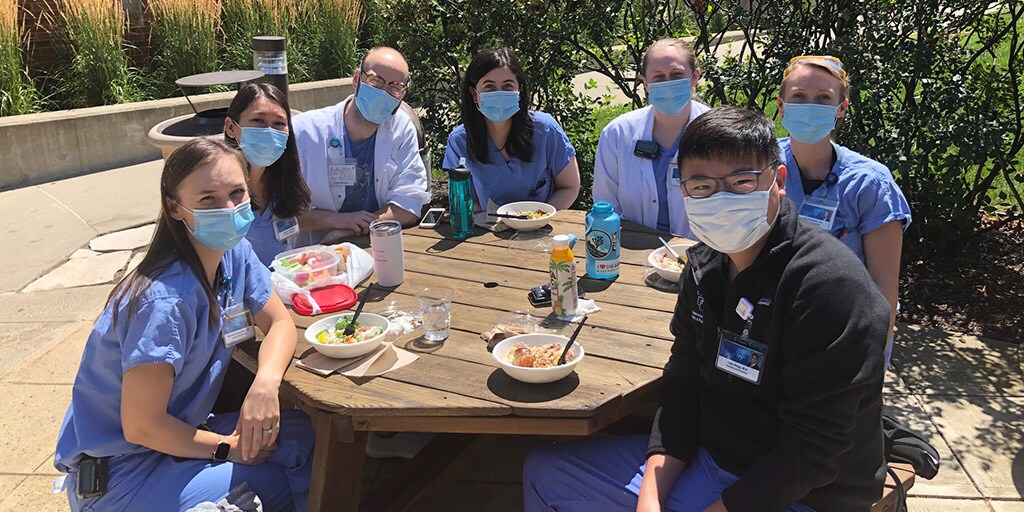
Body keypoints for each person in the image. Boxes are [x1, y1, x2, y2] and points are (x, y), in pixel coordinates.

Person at [524, 107, 890, 512]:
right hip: (714, 459)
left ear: (778, 181)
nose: (722, 199)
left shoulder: (830, 288)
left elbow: (811, 453)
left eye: (741, 182)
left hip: (805, 494)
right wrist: (651, 495)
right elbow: (683, 381)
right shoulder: (703, 265)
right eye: (701, 187)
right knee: (545, 471)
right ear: (683, 190)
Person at [53, 138, 314, 512]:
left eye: (237, 193)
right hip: (123, 475)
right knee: (277, 479)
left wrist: (265, 385)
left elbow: (279, 323)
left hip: (177, 438)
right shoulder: (164, 302)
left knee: (303, 438)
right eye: (208, 199)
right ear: (175, 208)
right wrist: (229, 448)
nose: (228, 208)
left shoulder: (233, 254)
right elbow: (142, 426)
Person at [776, 55, 911, 365]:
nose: (810, 105)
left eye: (823, 98)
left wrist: (874, 356)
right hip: (771, 325)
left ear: (841, 108)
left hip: (842, 333)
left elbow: (885, 284)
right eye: (798, 96)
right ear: (782, 104)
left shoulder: (871, 184)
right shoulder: (761, 165)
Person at [292, 46, 430, 244]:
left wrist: (355, 229)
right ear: (357, 78)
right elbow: (280, 214)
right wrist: (337, 221)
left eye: (395, 87)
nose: (384, 92)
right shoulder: (304, 132)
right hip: (312, 256)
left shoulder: (402, 127)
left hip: (375, 244)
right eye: (376, 81)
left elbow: (409, 203)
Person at [592, 37, 711, 238]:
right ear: (645, 84)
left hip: (699, 252)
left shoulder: (717, 134)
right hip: (632, 249)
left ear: (695, 77)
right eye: (658, 77)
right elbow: (606, 205)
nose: (668, 83)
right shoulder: (618, 133)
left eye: (676, 75)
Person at [443, 48, 581, 211]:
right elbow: (468, 202)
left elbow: (570, 187)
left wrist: (538, 218)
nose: (499, 93)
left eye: (508, 86)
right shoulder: (459, 141)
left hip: (541, 229)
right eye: (489, 87)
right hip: (488, 231)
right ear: (474, 93)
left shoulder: (546, 130)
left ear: (519, 91)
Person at [224, 82, 312, 266]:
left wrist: (340, 223)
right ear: (231, 127)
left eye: (279, 123)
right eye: (258, 121)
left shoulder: (281, 185)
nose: (269, 132)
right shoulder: (220, 193)